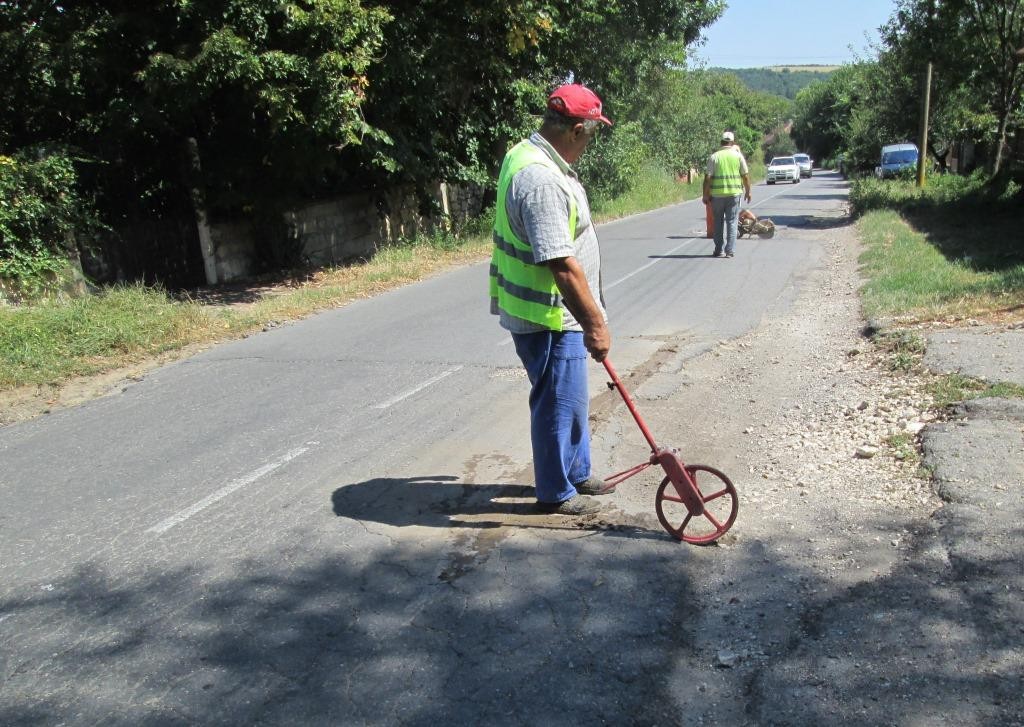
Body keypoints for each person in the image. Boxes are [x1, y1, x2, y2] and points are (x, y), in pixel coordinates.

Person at [489, 83, 613, 516]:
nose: (591, 142)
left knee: (571, 397)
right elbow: (561, 264)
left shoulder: (531, 153)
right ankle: (555, 491)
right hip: (548, 316)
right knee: (556, 403)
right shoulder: (541, 180)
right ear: (577, 130)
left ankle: (576, 470)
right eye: (592, 133)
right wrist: (595, 324)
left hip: (558, 315)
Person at [702, 131, 752, 258]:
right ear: (733, 142)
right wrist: (748, 192)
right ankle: (729, 250)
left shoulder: (714, 157)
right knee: (732, 222)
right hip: (734, 195)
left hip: (717, 196)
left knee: (718, 222)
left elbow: (707, 178)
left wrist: (705, 195)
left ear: (721, 142)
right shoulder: (738, 156)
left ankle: (719, 250)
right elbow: (745, 176)